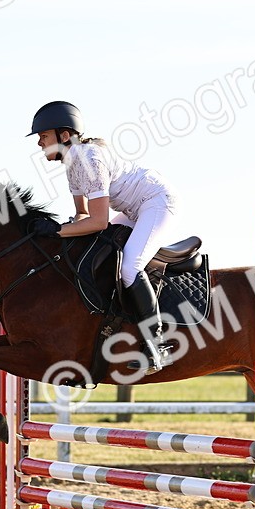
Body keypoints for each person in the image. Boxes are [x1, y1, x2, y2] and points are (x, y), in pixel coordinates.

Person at [27, 101, 176, 374]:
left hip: (155, 202)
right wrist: (55, 229)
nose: (39, 143)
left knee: (130, 267)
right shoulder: (72, 164)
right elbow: (82, 215)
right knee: (99, 250)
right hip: (133, 209)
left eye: (43, 136)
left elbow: (98, 221)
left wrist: (57, 231)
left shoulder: (89, 160)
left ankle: (158, 345)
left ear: (64, 135)